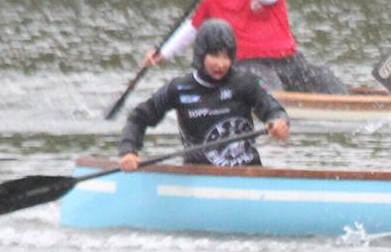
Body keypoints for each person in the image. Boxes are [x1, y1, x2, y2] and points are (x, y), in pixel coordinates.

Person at [146, 0, 345, 93]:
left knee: (325, 77)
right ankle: (273, 110)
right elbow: (192, 28)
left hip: (288, 60)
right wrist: (162, 53)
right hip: (247, 64)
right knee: (270, 89)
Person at [121, 20, 289, 170]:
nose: (221, 64)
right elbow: (138, 118)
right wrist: (129, 151)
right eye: (214, 56)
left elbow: (274, 110)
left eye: (226, 57)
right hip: (199, 177)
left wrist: (279, 122)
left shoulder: (245, 83)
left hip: (247, 176)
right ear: (201, 54)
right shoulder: (179, 89)